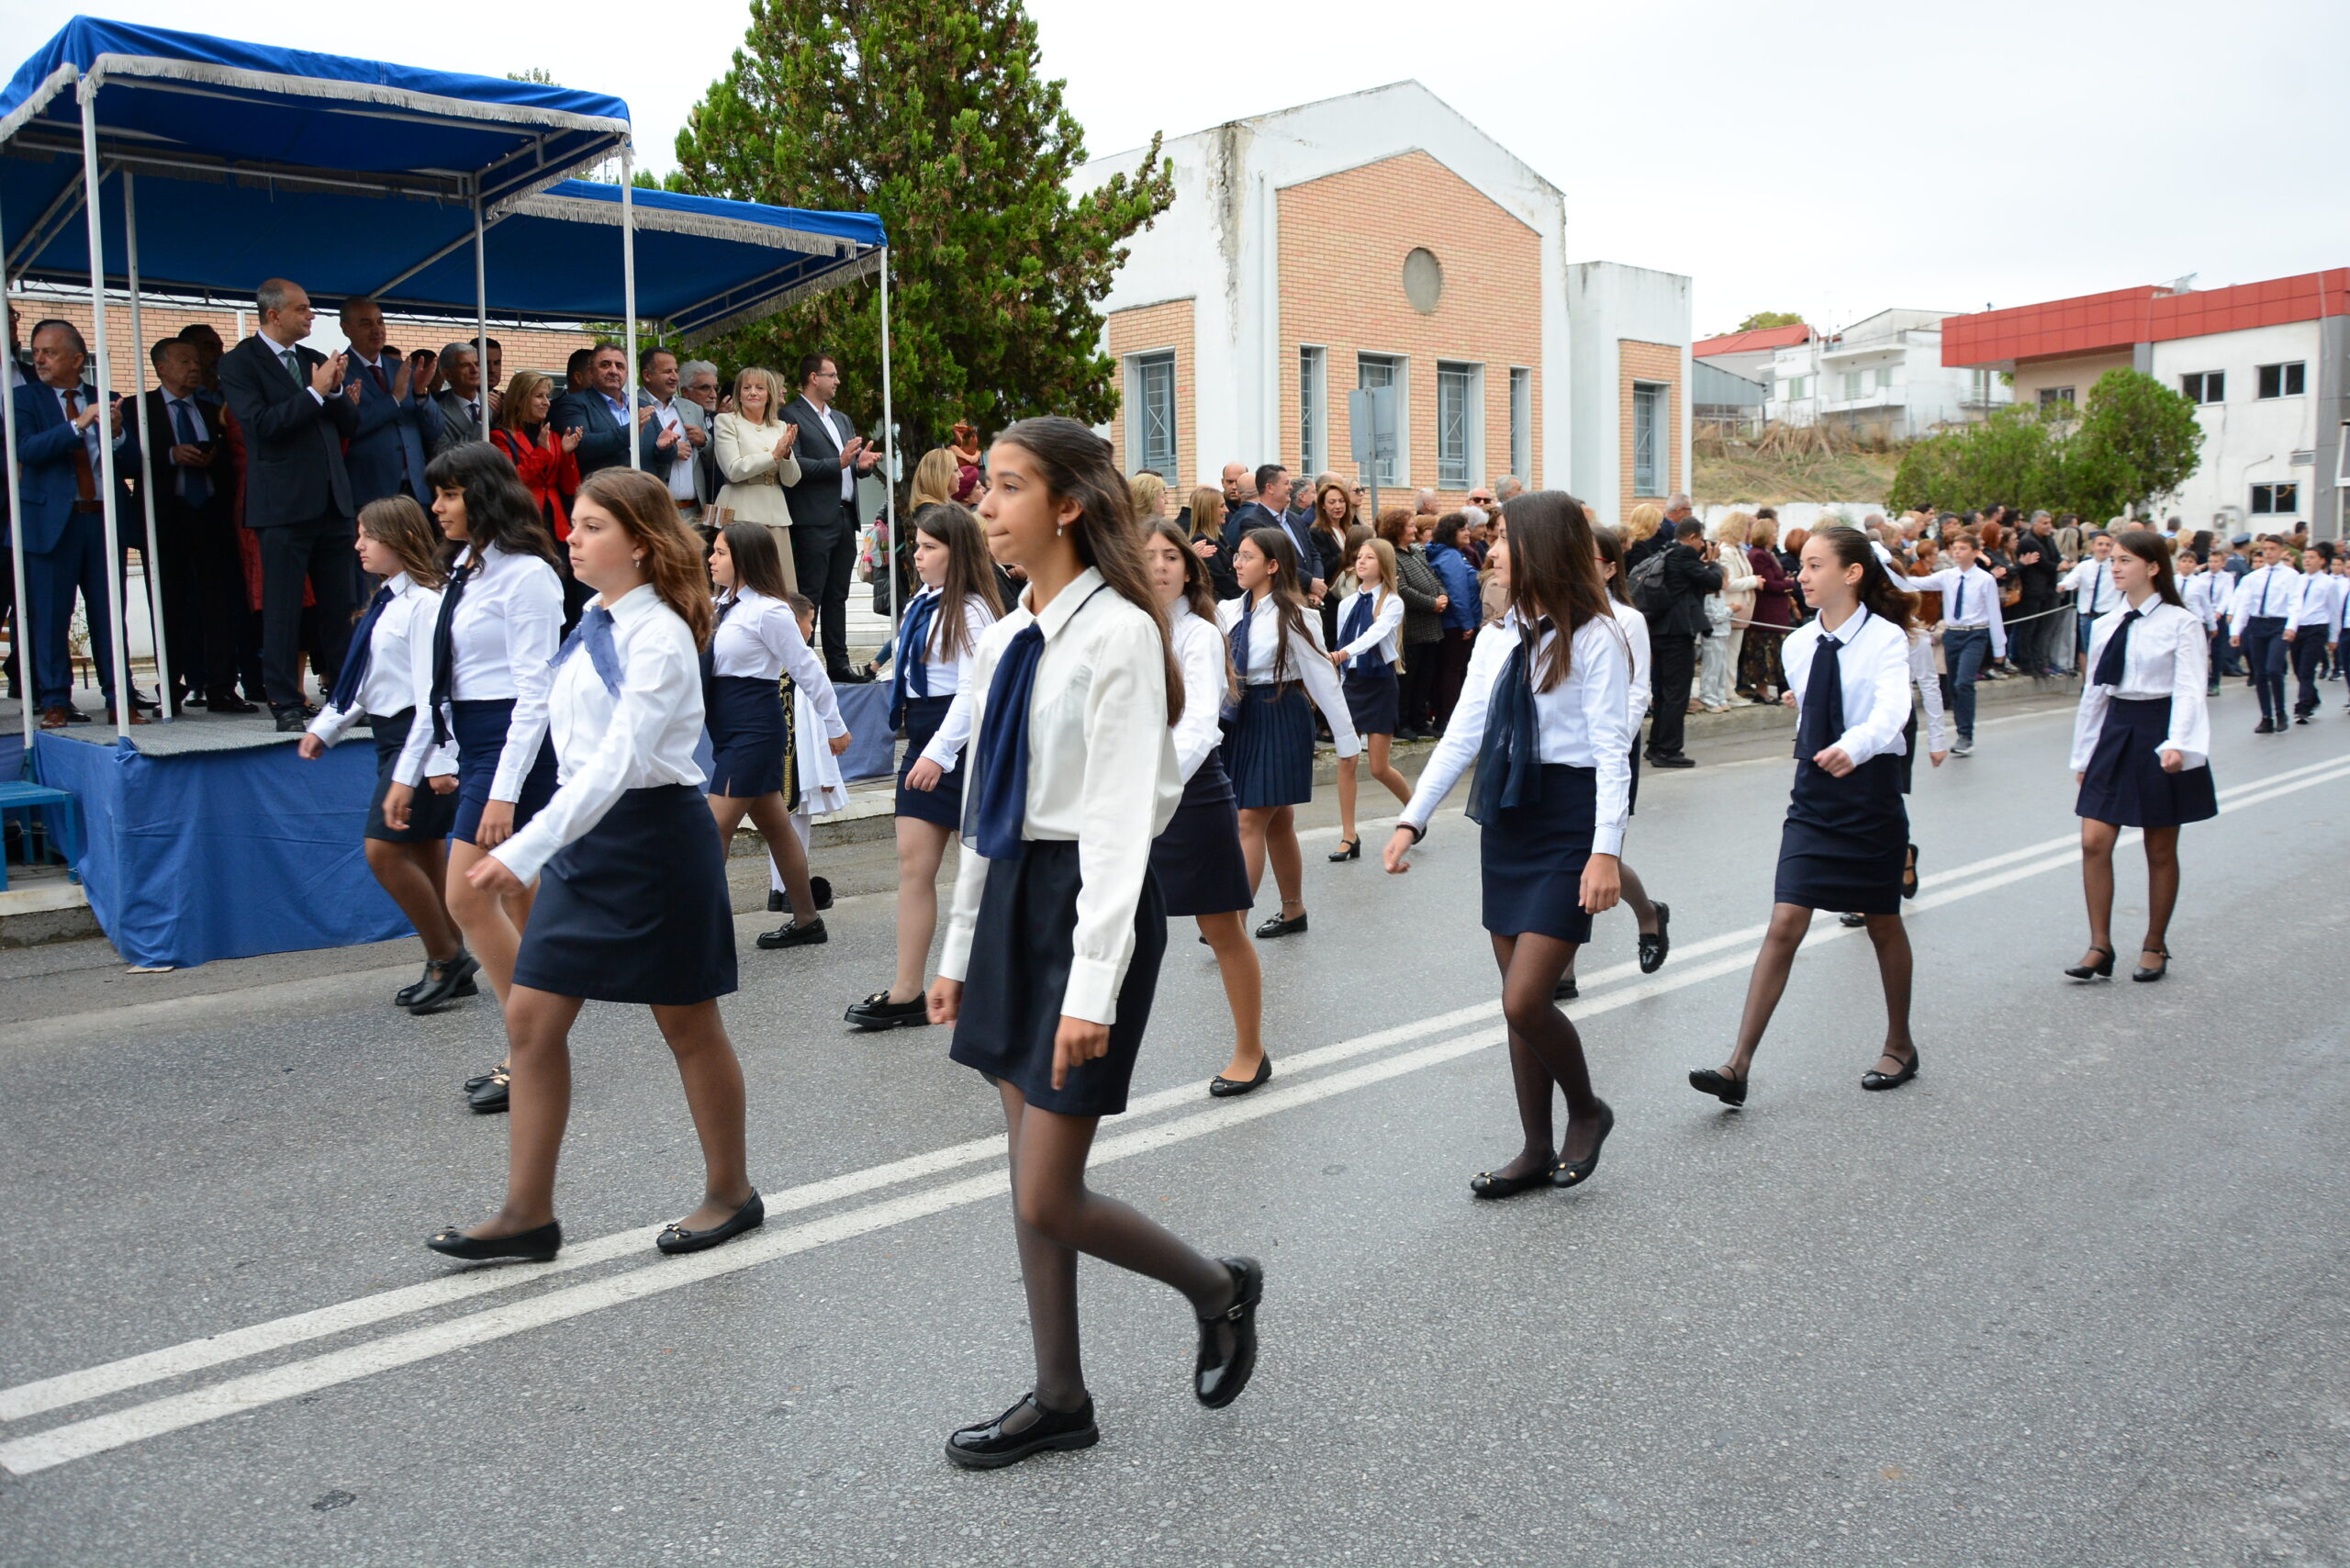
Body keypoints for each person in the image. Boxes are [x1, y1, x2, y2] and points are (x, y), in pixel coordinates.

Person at [929, 416, 1261, 1470]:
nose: (986, 506)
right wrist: (956, 948)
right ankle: (1060, 1395)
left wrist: (1092, 987)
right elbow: (986, 806)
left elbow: (1119, 828)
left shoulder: (1119, 632)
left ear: (1067, 505)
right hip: (1014, 897)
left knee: (1047, 1189)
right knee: (1023, 1166)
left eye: (1009, 486)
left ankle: (1217, 1288)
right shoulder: (1004, 639)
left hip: (1088, 906)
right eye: (986, 487)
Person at [427, 467, 757, 1265]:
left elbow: (620, 762)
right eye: (573, 524)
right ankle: (527, 1213)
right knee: (531, 1021)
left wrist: (525, 847)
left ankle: (730, 1192)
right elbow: (547, 723)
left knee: (687, 1024)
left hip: (653, 841)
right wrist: (513, 810)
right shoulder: (592, 621)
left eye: (591, 527)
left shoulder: (661, 634)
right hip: (585, 841)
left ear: (640, 544)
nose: (570, 538)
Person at [1383, 492, 1629, 1197]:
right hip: (1510, 816)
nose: (1491, 550)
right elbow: (1462, 734)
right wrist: (1411, 820)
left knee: (1526, 1000)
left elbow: (1612, 752)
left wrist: (1605, 851)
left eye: (1503, 539)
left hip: (1568, 818)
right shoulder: (1498, 637)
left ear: (1540, 548)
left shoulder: (1596, 636)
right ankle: (1534, 1147)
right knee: (1514, 1003)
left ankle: (1587, 1111)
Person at [1689, 527, 1919, 1108]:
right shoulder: (1798, 644)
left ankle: (1900, 1043)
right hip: (1814, 795)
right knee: (1785, 921)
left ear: (1852, 573)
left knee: (1882, 921)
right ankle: (1738, 1065)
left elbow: (1893, 709)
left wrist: (1855, 745)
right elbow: (1814, 713)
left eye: (1816, 565)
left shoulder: (1886, 638)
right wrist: (1807, 706)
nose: (1802, 575)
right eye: (1803, 565)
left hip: (1869, 792)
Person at [386, 442, 565, 1115]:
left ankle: (533, 1048)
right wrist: (412, 768)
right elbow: (440, 684)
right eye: (437, 493)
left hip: (513, 745)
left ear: (484, 495)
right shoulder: (463, 569)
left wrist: (502, 791)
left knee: (467, 897)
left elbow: (535, 692)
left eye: (450, 494)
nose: (436, 507)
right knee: (516, 894)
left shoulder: (527, 575)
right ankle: (541, 1040)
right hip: (477, 741)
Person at [297, 496, 474, 1012]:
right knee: (422, 850)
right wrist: (325, 728)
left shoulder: (424, 603)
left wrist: (439, 760)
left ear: (401, 538)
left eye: (368, 535)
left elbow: (432, 691)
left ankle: (445, 957)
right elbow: (367, 680)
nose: (358, 545)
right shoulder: (388, 600)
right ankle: (453, 958)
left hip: (418, 738)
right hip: (391, 735)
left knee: (384, 850)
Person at [843, 502, 1002, 1030]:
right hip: (924, 735)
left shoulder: (973, 610)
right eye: (917, 545)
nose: (917, 555)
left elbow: (974, 691)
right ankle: (907, 990)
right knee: (914, 865)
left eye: (930, 547)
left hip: (962, 741)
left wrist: (940, 752)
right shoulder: (921, 601)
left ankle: (992, 985)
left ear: (958, 554)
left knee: (981, 872)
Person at [1143, 519, 1269, 1096]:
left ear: (1190, 570)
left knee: (1221, 928)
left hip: (1190, 794)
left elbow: (1197, 725)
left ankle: (1251, 1050)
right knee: (1098, 923)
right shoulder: (1123, 629)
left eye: (1172, 556)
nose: (1160, 566)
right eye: (1148, 556)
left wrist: (1150, 789)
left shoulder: (1200, 633)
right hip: (1127, 795)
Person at [2066, 529, 2214, 985]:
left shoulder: (2181, 622)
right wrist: (2083, 755)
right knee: (2094, 840)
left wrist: (2178, 742)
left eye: (2125, 560)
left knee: (2159, 847)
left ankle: (2154, 943)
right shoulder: (2106, 623)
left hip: (2160, 729)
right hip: (2116, 731)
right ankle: (2100, 945)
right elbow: (2095, 694)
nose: (2114, 567)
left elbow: (2189, 689)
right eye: (2112, 559)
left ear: (2152, 567)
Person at [215, 279, 361, 730]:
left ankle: (344, 698)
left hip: (332, 502)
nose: (311, 315)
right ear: (273, 314)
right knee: (282, 608)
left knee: (340, 607)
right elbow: (261, 426)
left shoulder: (312, 359)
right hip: (282, 506)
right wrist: (314, 393)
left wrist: (334, 392)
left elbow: (349, 424)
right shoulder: (239, 363)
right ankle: (286, 702)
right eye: (302, 309)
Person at [705, 521, 845, 953]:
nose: (711, 559)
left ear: (745, 559)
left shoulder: (769, 610)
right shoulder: (718, 605)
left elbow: (806, 668)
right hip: (727, 728)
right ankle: (807, 919)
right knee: (778, 826)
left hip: (753, 729)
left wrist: (835, 725)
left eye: (721, 552)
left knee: (711, 830)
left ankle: (702, 936)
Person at [1217, 526, 1360, 939]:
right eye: (1237, 555)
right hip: (1239, 718)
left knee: (1249, 820)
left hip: (1279, 714)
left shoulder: (1297, 616)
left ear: (1272, 566)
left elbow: (1322, 678)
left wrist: (1347, 741)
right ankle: (1293, 909)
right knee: (1278, 819)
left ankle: (1232, 926)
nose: (1237, 563)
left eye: (1247, 557)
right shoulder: (1227, 610)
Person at [1556, 522, 1670, 1000]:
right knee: (1569, 859)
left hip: (1611, 751)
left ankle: (1648, 913)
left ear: (1609, 570)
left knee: (1604, 856)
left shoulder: (1627, 620)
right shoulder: (1561, 616)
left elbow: (1639, 689)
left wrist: (1613, 740)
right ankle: (1563, 967)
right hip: (1566, 759)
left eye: (1591, 562)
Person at [15, 318, 142, 730]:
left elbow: (133, 463)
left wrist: (118, 434)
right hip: (52, 522)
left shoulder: (108, 399)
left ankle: (120, 699)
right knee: (51, 615)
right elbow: (27, 450)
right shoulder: (24, 398)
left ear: (76, 359)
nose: (40, 360)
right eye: (36, 352)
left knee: (110, 614)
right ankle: (55, 700)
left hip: (102, 519)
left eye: (49, 352)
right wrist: (78, 424)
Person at [132, 337, 254, 714]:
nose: (194, 366)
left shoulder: (211, 409)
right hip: (166, 520)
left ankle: (222, 688)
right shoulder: (139, 408)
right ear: (161, 368)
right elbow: (127, 459)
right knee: (169, 606)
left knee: (219, 605)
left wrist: (212, 457)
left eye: (196, 360)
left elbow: (232, 463)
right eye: (184, 360)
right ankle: (170, 688)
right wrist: (170, 455)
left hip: (211, 519)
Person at [779, 353, 882, 681]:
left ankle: (838, 664)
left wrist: (861, 466)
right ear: (813, 378)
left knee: (838, 595)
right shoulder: (789, 415)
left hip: (845, 516)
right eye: (832, 375)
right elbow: (795, 465)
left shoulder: (841, 419)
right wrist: (837, 463)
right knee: (810, 594)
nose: (837, 381)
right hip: (812, 518)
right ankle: (803, 667)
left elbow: (848, 466)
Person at [1326, 536, 1411, 861]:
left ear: (1384, 563)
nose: (1361, 562)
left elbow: (1375, 635)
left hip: (1379, 683)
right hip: (1352, 684)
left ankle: (1414, 812)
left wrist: (1344, 652)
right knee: (1347, 760)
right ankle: (1349, 835)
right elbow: (1341, 641)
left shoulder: (1392, 602)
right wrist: (1338, 679)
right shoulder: (1346, 603)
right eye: (1359, 557)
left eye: (1370, 557)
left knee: (1378, 767)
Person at [1905, 528, 2006, 756]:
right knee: (1952, 685)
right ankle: (1961, 730)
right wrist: (1889, 575)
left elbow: (1994, 612)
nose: (1957, 552)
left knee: (1964, 682)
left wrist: (1999, 647)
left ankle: (1965, 735)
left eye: (1963, 548)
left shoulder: (1985, 579)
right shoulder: (1948, 576)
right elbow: (1918, 583)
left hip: (1975, 633)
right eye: (1955, 548)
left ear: (1975, 552)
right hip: (1953, 634)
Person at [337, 297, 437, 510]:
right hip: (370, 491)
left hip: (416, 490)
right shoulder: (339, 372)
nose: (377, 330)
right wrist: (394, 399)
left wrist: (420, 394)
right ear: (346, 329)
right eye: (366, 323)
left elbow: (435, 430)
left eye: (380, 322)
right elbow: (346, 427)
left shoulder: (402, 368)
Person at [711, 365, 803, 591]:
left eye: (760, 388)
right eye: (746, 388)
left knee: (778, 587)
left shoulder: (780, 426)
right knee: (739, 585)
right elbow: (733, 470)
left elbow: (792, 480)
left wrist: (786, 455)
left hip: (775, 514)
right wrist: (773, 456)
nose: (753, 392)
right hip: (739, 512)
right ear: (738, 394)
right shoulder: (726, 421)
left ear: (769, 394)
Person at [1643, 511, 1722, 768]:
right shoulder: (1685, 554)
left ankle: (1656, 745)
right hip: (1677, 633)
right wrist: (1713, 562)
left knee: (1663, 693)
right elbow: (1714, 582)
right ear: (1692, 537)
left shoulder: (1666, 551)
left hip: (1659, 630)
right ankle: (1668, 750)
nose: (1702, 545)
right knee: (1677, 694)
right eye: (1701, 540)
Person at [488, 372, 584, 542]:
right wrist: (541, 452)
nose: (547, 402)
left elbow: (570, 488)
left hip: (557, 524)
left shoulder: (554, 436)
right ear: (520, 400)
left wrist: (567, 454)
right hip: (522, 521)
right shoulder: (500, 437)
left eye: (547, 396)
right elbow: (511, 480)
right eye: (539, 396)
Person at [1381, 510, 1448, 739]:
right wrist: (1432, 603)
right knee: (1408, 679)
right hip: (1411, 628)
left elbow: (1434, 578)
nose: (1414, 529)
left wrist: (1442, 595)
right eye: (1410, 525)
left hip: (1431, 627)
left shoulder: (1416, 552)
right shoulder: (1392, 555)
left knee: (1424, 678)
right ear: (1397, 529)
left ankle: (1420, 721)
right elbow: (1402, 590)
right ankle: (1403, 723)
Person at [2228, 538, 2300, 733]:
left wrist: (2291, 626)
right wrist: (2236, 631)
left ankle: (2280, 712)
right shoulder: (2253, 577)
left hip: (2278, 624)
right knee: (2260, 673)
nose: (2268, 553)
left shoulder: (2291, 576)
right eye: (2265, 549)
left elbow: (2295, 603)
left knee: (2274, 669)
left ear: (2282, 551)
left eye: (2273, 549)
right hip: (2257, 624)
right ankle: (2266, 717)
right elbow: (2244, 605)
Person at [550, 342, 648, 482]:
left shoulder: (642, 406)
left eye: (619, 366)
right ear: (591, 372)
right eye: (605, 365)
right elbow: (582, 446)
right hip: (601, 491)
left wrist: (666, 449)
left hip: (642, 491)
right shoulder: (574, 403)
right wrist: (631, 431)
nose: (613, 371)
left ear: (627, 373)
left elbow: (656, 455)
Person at [1423, 513, 1482, 730]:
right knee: (1453, 671)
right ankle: (1449, 718)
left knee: (1448, 670)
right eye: (1462, 529)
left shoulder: (1450, 553)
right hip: (1456, 625)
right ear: (1451, 533)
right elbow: (1457, 592)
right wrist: (1467, 624)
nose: (1468, 533)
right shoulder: (1451, 556)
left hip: (1453, 622)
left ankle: (1445, 716)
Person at [1742, 511, 1795, 702]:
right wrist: (1789, 584)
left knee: (1771, 653)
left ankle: (1765, 691)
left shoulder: (1767, 554)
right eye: (1773, 532)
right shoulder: (1758, 555)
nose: (1776, 535)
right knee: (1762, 654)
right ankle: (1762, 691)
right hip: (1766, 613)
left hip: (1774, 613)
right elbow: (1769, 584)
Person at [2287, 543, 2343, 722]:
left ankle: (2303, 707)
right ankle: (2313, 697)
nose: (2308, 561)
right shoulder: (2298, 580)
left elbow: (2334, 611)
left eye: (2312, 558)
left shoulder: (2328, 583)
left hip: (2317, 628)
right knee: (2297, 668)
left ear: (2322, 561)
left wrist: (2333, 637)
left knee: (2306, 669)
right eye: (2305, 558)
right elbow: (2292, 605)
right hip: (2299, 627)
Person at [1712, 510, 1759, 704]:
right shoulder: (1726, 552)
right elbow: (1729, 583)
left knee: (1732, 652)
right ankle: (1726, 692)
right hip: (1731, 608)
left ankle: (1729, 691)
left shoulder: (1737, 550)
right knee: (1728, 653)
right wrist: (1753, 581)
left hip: (1741, 609)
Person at [2061, 531, 2121, 671]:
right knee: (2086, 649)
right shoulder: (2085, 566)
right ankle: (2088, 680)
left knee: (2106, 649)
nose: (2103, 548)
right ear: (2093, 546)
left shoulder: (2115, 567)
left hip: (2107, 614)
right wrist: (2064, 585)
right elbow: (2073, 577)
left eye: (2107, 545)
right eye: (2100, 544)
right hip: (2087, 615)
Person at [2011, 511, 2062, 676]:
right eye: (2044, 523)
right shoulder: (2028, 541)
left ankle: (2039, 661)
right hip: (2032, 591)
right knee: (2029, 628)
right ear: (2035, 524)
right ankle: (2027, 663)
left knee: (2042, 628)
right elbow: (2045, 563)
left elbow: (2056, 557)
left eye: (2049, 523)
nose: (2049, 526)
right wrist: (2059, 566)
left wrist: (2060, 564)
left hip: (2047, 590)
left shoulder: (2049, 539)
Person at [1307, 480, 1354, 645]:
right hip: (1332, 599)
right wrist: (1350, 553)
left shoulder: (1349, 529)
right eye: (1332, 502)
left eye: (1341, 501)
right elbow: (1324, 565)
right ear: (1323, 506)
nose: (1338, 506)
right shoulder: (1317, 532)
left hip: (1351, 594)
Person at [428, 342, 491, 451]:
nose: (475, 370)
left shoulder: (495, 405)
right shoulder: (436, 413)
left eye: (477, 364)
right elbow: (442, 454)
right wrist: (481, 424)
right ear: (447, 374)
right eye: (465, 365)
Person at [1184, 487, 1237, 599]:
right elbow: (1222, 581)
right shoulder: (1203, 542)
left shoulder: (1218, 537)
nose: (1226, 510)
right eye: (1221, 506)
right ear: (1208, 510)